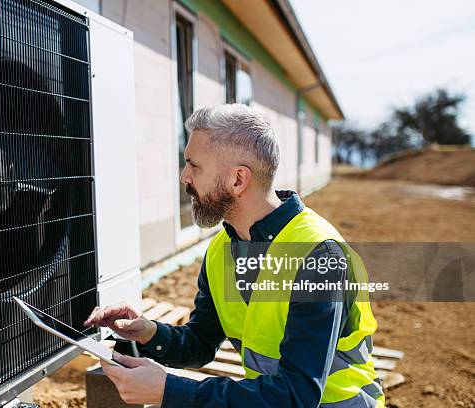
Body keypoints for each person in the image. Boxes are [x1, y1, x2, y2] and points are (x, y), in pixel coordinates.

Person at [84, 104, 385, 407]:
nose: (184, 177)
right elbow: (201, 343)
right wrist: (149, 332)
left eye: (194, 165)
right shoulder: (221, 251)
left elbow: (297, 396)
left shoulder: (317, 255)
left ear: (238, 180)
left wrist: (169, 391)